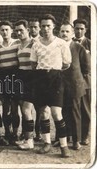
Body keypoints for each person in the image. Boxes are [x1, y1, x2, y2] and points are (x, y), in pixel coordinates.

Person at [30, 14, 72, 158]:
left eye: (48, 25)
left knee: (56, 112)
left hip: (56, 78)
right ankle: (47, 143)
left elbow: (67, 63)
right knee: (43, 112)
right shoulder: (36, 44)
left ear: (54, 26)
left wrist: (54, 70)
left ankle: (63, 146)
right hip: (41, 78)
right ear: (40, 27)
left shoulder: (61, 43)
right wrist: (43, 72)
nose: (46, 28)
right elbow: (33, 63)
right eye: (43, 26)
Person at [59, 22, 90, 150]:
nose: (64, 34)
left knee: (75, 112)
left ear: (72, 33)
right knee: (61, 112)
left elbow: (86, 68)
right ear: (59, 33)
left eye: (67, 31)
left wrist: (77, 80)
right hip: (59, 84)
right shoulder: (56, 46)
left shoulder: (78, 48)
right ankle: (64, 139)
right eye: (62, 31)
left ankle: (76, 141)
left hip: (75, 85)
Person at [14, 19, 36, 150]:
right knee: (23, 110)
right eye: (16, 31)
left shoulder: (34, 44)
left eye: (21, 30)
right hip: (21, 77)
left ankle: (30, 141)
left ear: (28, 30)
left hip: (31, 78)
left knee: (27, 110)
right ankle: (26, 137)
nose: (19, 32)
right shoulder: (18, 45)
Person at [0, 20, 20, 145]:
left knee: (15, 108)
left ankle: (15, 133)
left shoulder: (17, 44)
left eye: (7, 29)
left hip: (16, 77)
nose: (5, 32)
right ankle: (7, 132)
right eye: (2, 30)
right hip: (3, 77)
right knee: (5, 108)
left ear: (11, 31)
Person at [73, 18, 91, 146]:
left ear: (86, 30)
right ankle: (74, 136)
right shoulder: (69, 42)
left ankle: (84, 136)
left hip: (86, 82)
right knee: (72, 109)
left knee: (85, 109)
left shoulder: (90, 43)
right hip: (72, 82)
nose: (79, 31)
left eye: (81, 29)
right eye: (77, 28)